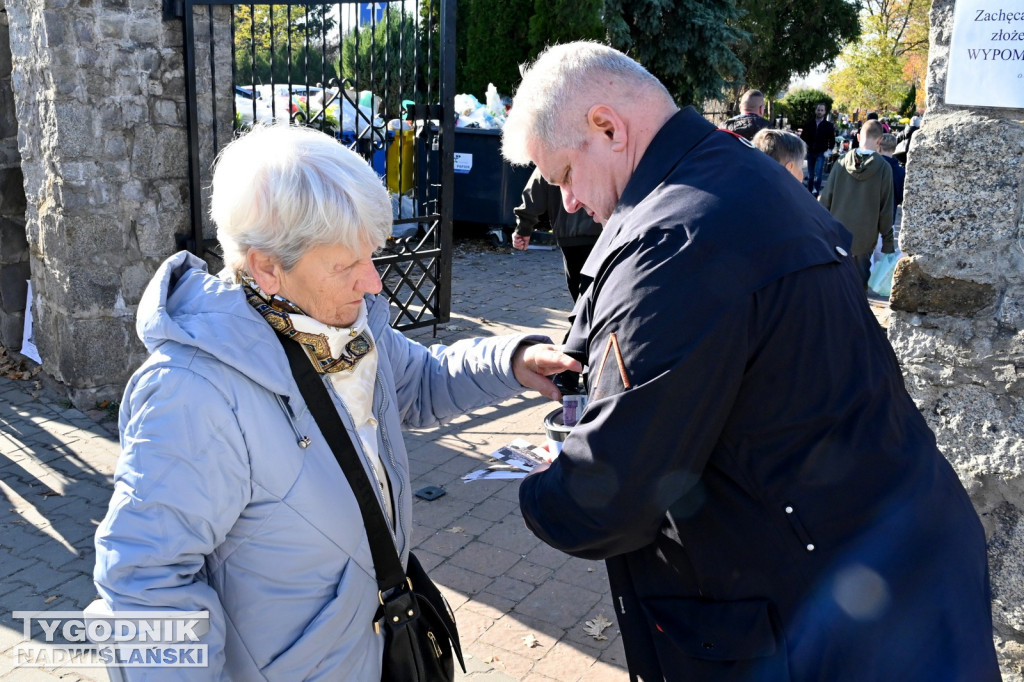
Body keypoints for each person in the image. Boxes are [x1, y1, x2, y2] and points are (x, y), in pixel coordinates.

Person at [502, 41, 999, 681]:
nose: (566, 203)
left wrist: (540, 486)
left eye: (565, 174)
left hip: (823, 623)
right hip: (896, 576)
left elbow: (609, 500)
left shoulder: (671, 239)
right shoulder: (736, 175)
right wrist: (585, 350)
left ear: (608, 127)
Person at [93, 124, 580, 680]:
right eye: (346, 266)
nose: (372, 283)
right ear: (267, 267)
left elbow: (418, 383)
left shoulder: (340, 324)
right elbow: (144, 584)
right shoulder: (192, 393)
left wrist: (510, 362)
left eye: (370, 256)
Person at [819, 120, 895, 287]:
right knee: (859, 284)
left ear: (859, 136)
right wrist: (888, 243)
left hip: (837, 233)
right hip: (865, 237)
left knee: (835, 282)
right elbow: (886, 208)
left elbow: (825, 199)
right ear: (880, 140)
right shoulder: (883, 168)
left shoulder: (840, 163)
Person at [513, 166, 602, 302]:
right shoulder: (613, 147)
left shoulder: (553, 148)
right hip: (608, 231)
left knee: (582, 298)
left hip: (571, 235)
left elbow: (537, 188)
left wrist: (523, 228)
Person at [799, 102, 836, 195]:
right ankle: (809, 193)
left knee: (818, 175)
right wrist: (804, 147)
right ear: (816, 111)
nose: (820, 112)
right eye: (818, 110)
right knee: (811, 175)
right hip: (810, 151)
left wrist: (829, 150)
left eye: (822, 110)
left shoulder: (828, 125)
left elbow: (832, 139)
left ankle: (815, 193)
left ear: (825, 112)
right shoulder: (809, 124)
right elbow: (803, 137)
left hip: (821, 152)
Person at [878, 132, 906, 223]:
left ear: (879, 147)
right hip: (890, 216)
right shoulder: (901, 172)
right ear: (894, 149)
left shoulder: (873, 166)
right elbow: (901, 196)